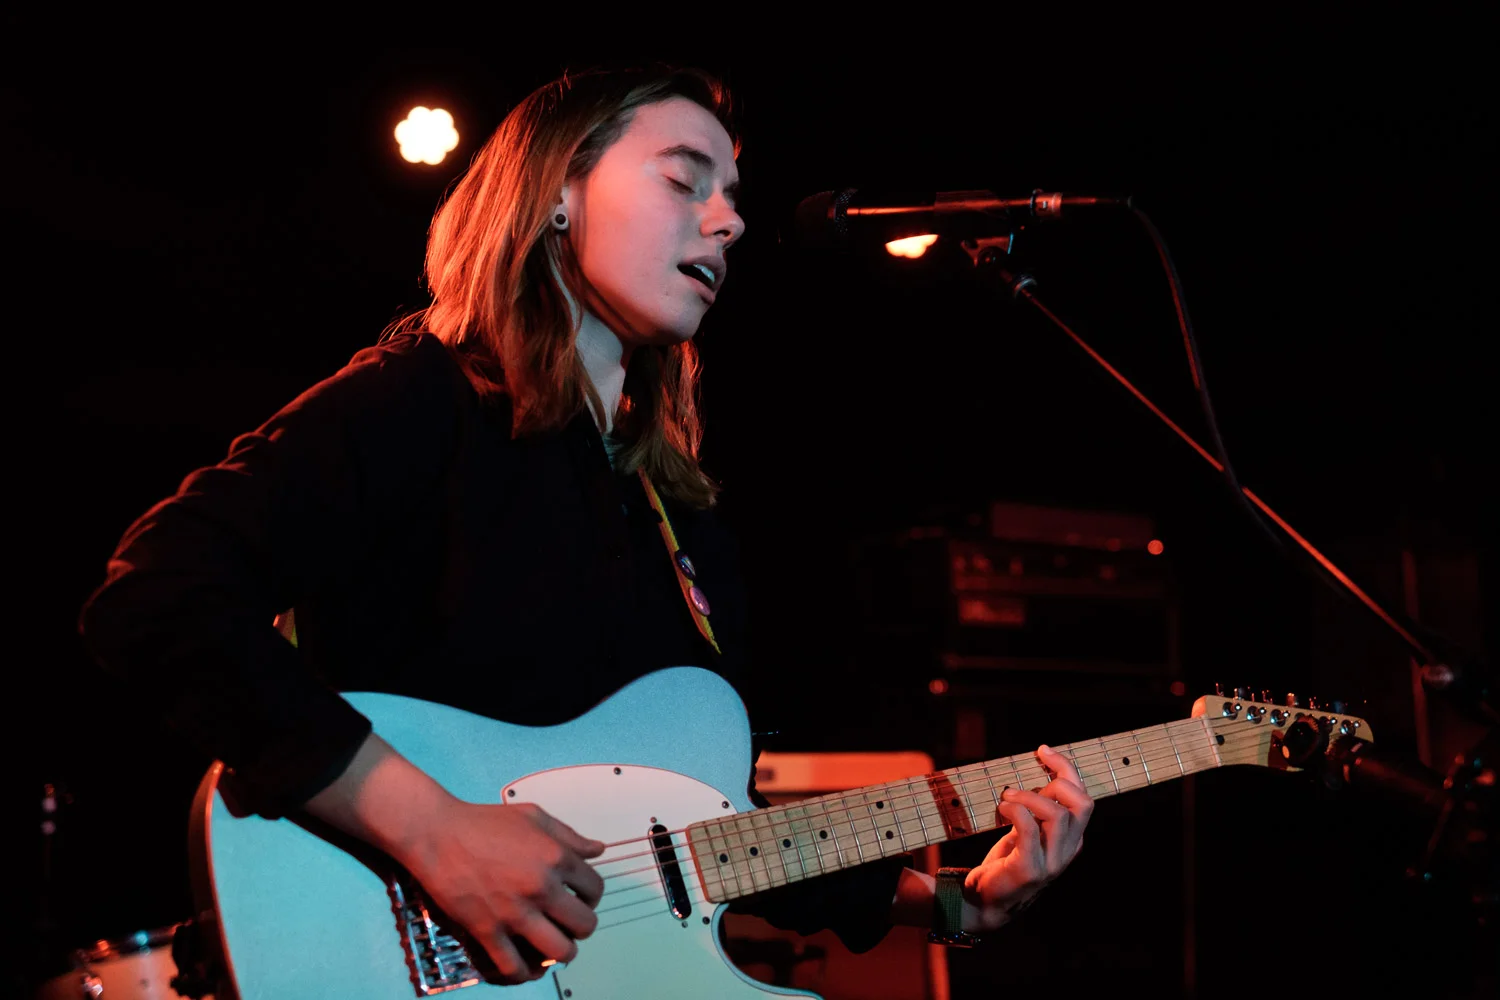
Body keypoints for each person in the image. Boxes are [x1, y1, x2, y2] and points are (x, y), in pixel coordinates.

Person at [78, 64, 1093, 988]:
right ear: (557, 193)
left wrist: (955, 902)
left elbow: (700, 833)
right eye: (685, 180)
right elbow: (159, 596)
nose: (729, 222)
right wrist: (433, 830)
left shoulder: (677, 516)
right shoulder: (424, 400)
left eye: (733, 198)